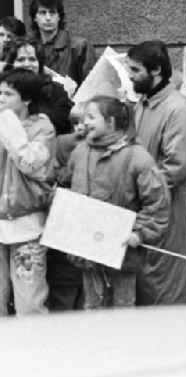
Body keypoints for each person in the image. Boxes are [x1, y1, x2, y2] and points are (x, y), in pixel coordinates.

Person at [65, 96, 170, 309]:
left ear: (111, 122)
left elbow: (158, 205)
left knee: (122, 310)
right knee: (92, 306)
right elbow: (65, 187)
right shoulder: (79, 152)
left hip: (122, 253)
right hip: (86, 250)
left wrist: (139, 233)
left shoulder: (138, 158)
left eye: (91, 117)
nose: (85, 122)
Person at [129, 41, 186, 305]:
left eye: (135, 70)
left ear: (155, 70)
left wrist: (145, 189)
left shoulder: (176, 108)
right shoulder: (143, 102)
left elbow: (179, 165)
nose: (130, 76)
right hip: (144, 203)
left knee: (165, 277)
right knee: (146, 276)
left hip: (166, 204)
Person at [0, 69, 56, 316]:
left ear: (27, 99)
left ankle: (35, 353)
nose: (1, 98)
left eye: (8, 93)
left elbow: (30, 163)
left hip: (27, 224)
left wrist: (9, 123)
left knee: (29, 302)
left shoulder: (43, 128)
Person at [46, 105, 87, 311]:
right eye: (75, 123)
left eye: (85, 121)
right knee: (65, 282)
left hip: (76, 217)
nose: (80, 127)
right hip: (67, 216)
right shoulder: (64, 144)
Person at [4, 38, 73, 134]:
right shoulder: (3, 88)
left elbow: (66, 121)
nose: (27, 64)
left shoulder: (55, 90)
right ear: (12, 64)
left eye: (32, 59)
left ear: (40, 64)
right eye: (21, 59)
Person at [28, 0, 96, 84]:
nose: (48, 18)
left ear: (59, 17)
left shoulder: (79, 46)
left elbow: (91, 87)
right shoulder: (28, 47)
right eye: (43, 13)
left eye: (52, 13)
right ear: (35, 18)